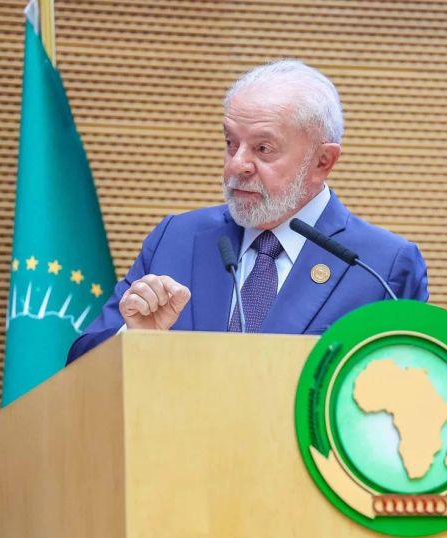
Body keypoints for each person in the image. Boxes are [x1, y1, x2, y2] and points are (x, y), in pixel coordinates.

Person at [66, 60, 428, 364]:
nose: (237, 164)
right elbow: (80, 367)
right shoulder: (176, 238)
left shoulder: (383, 266)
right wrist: (135, 339)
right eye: (230, 143)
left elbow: (406, 396)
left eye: (263, 148)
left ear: (322, 161)